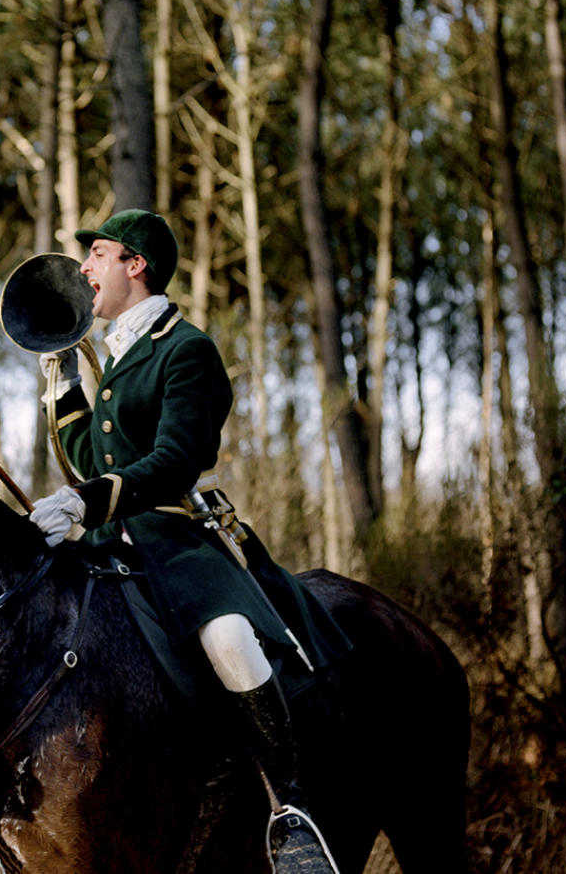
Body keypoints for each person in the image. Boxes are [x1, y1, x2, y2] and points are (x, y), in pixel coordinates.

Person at [28, 209, 345, 873]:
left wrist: (83, 502)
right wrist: (63, 385)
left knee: (229, 636)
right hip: (113, 537)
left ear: (133, 263)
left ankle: (291, 812)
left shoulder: (185, 347)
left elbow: (173, 460)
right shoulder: (111, 351)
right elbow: (92, 457)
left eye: (96, 254)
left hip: (177, 536)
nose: (82, 268)